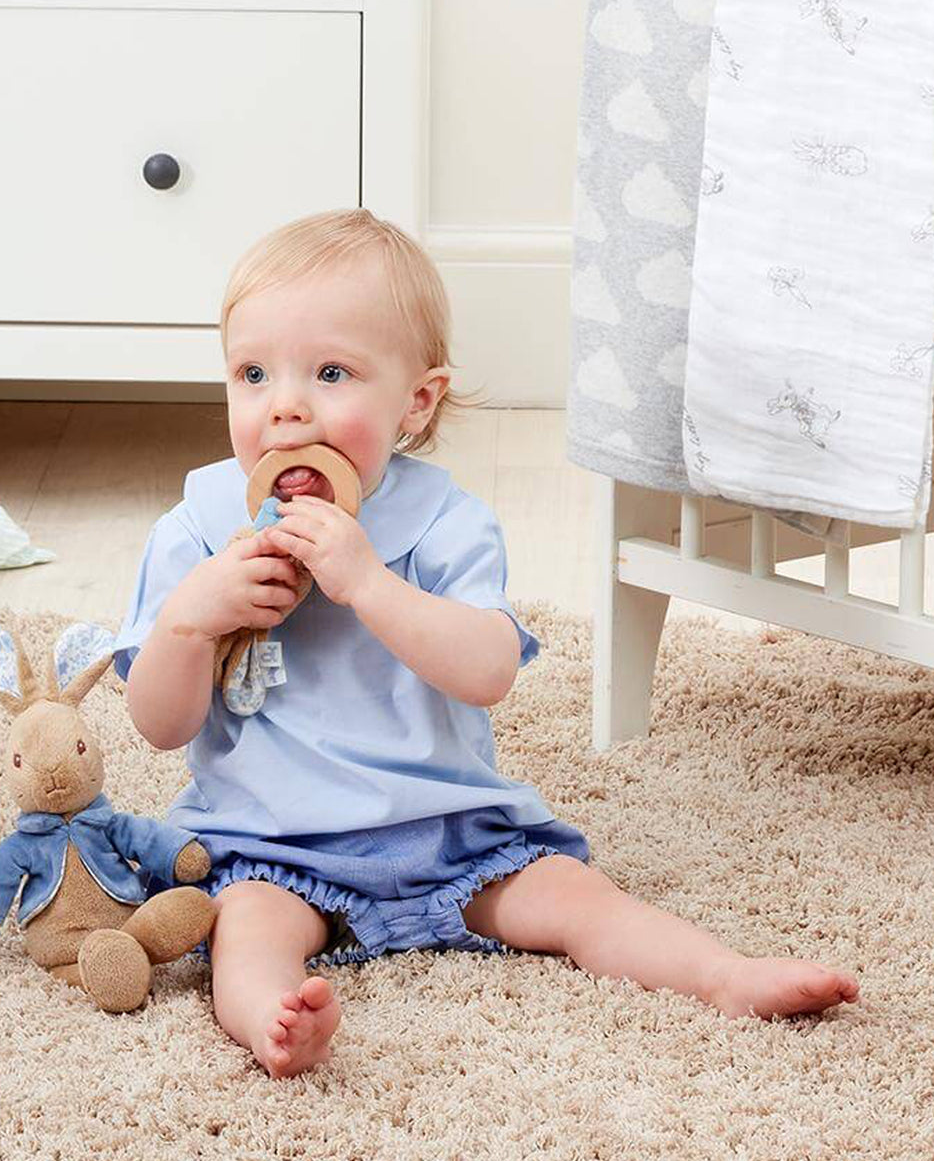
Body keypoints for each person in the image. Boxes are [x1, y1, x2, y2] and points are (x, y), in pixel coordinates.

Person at [114, 208, 860, 1079]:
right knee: (244, 936)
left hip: (453, 836)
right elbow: (160, 726)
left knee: (585, 904)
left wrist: (369, 584)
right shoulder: (200, 532)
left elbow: (487, 671)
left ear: (416, 401)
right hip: (274, 845)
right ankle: (278, 1024)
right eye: (252, 373)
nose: (285, 406)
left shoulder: (443, 523)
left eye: (330, 372)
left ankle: (725, 976)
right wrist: (191, 619)